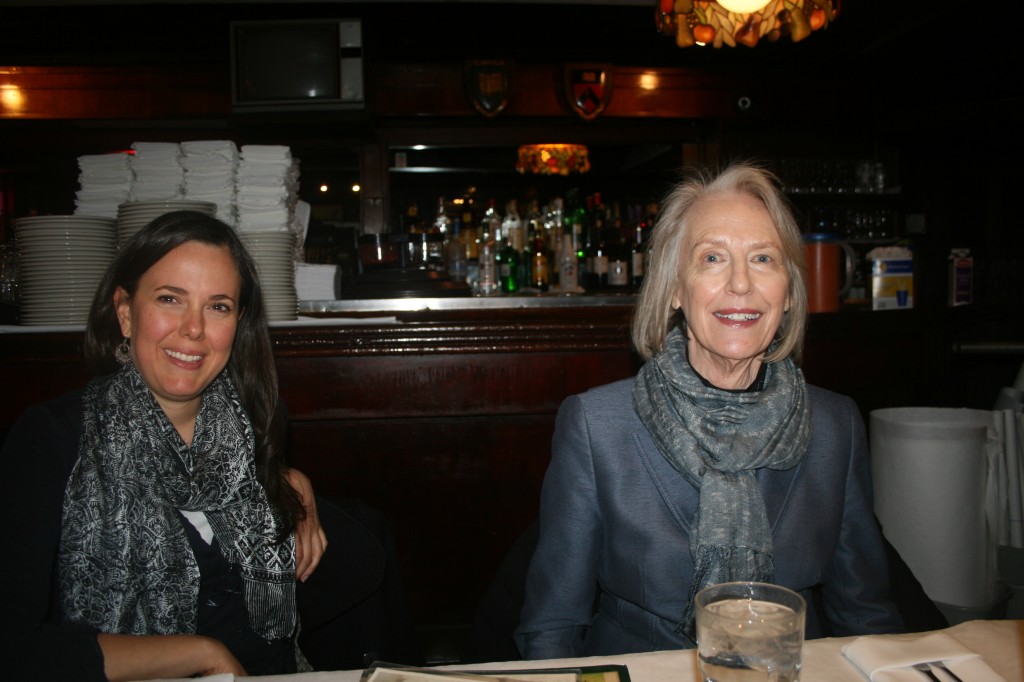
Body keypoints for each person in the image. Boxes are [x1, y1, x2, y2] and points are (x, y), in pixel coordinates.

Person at [514, 161, 905, 659]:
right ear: (675, 289)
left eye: (763, 258)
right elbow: (552, 627)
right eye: (713, 257)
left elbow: (866, 615)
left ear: (788, 292)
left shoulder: (836, 425)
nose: (741, 283)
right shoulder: (597, 426)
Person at [0, 211, 328, 681]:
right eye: (170, 299)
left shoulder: (257, 427)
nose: (194, 328)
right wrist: (199, 655)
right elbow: (12, 646)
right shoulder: (53, 437)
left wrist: (288, 482)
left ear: (238, 324)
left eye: (218, 306)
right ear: (125, 312)